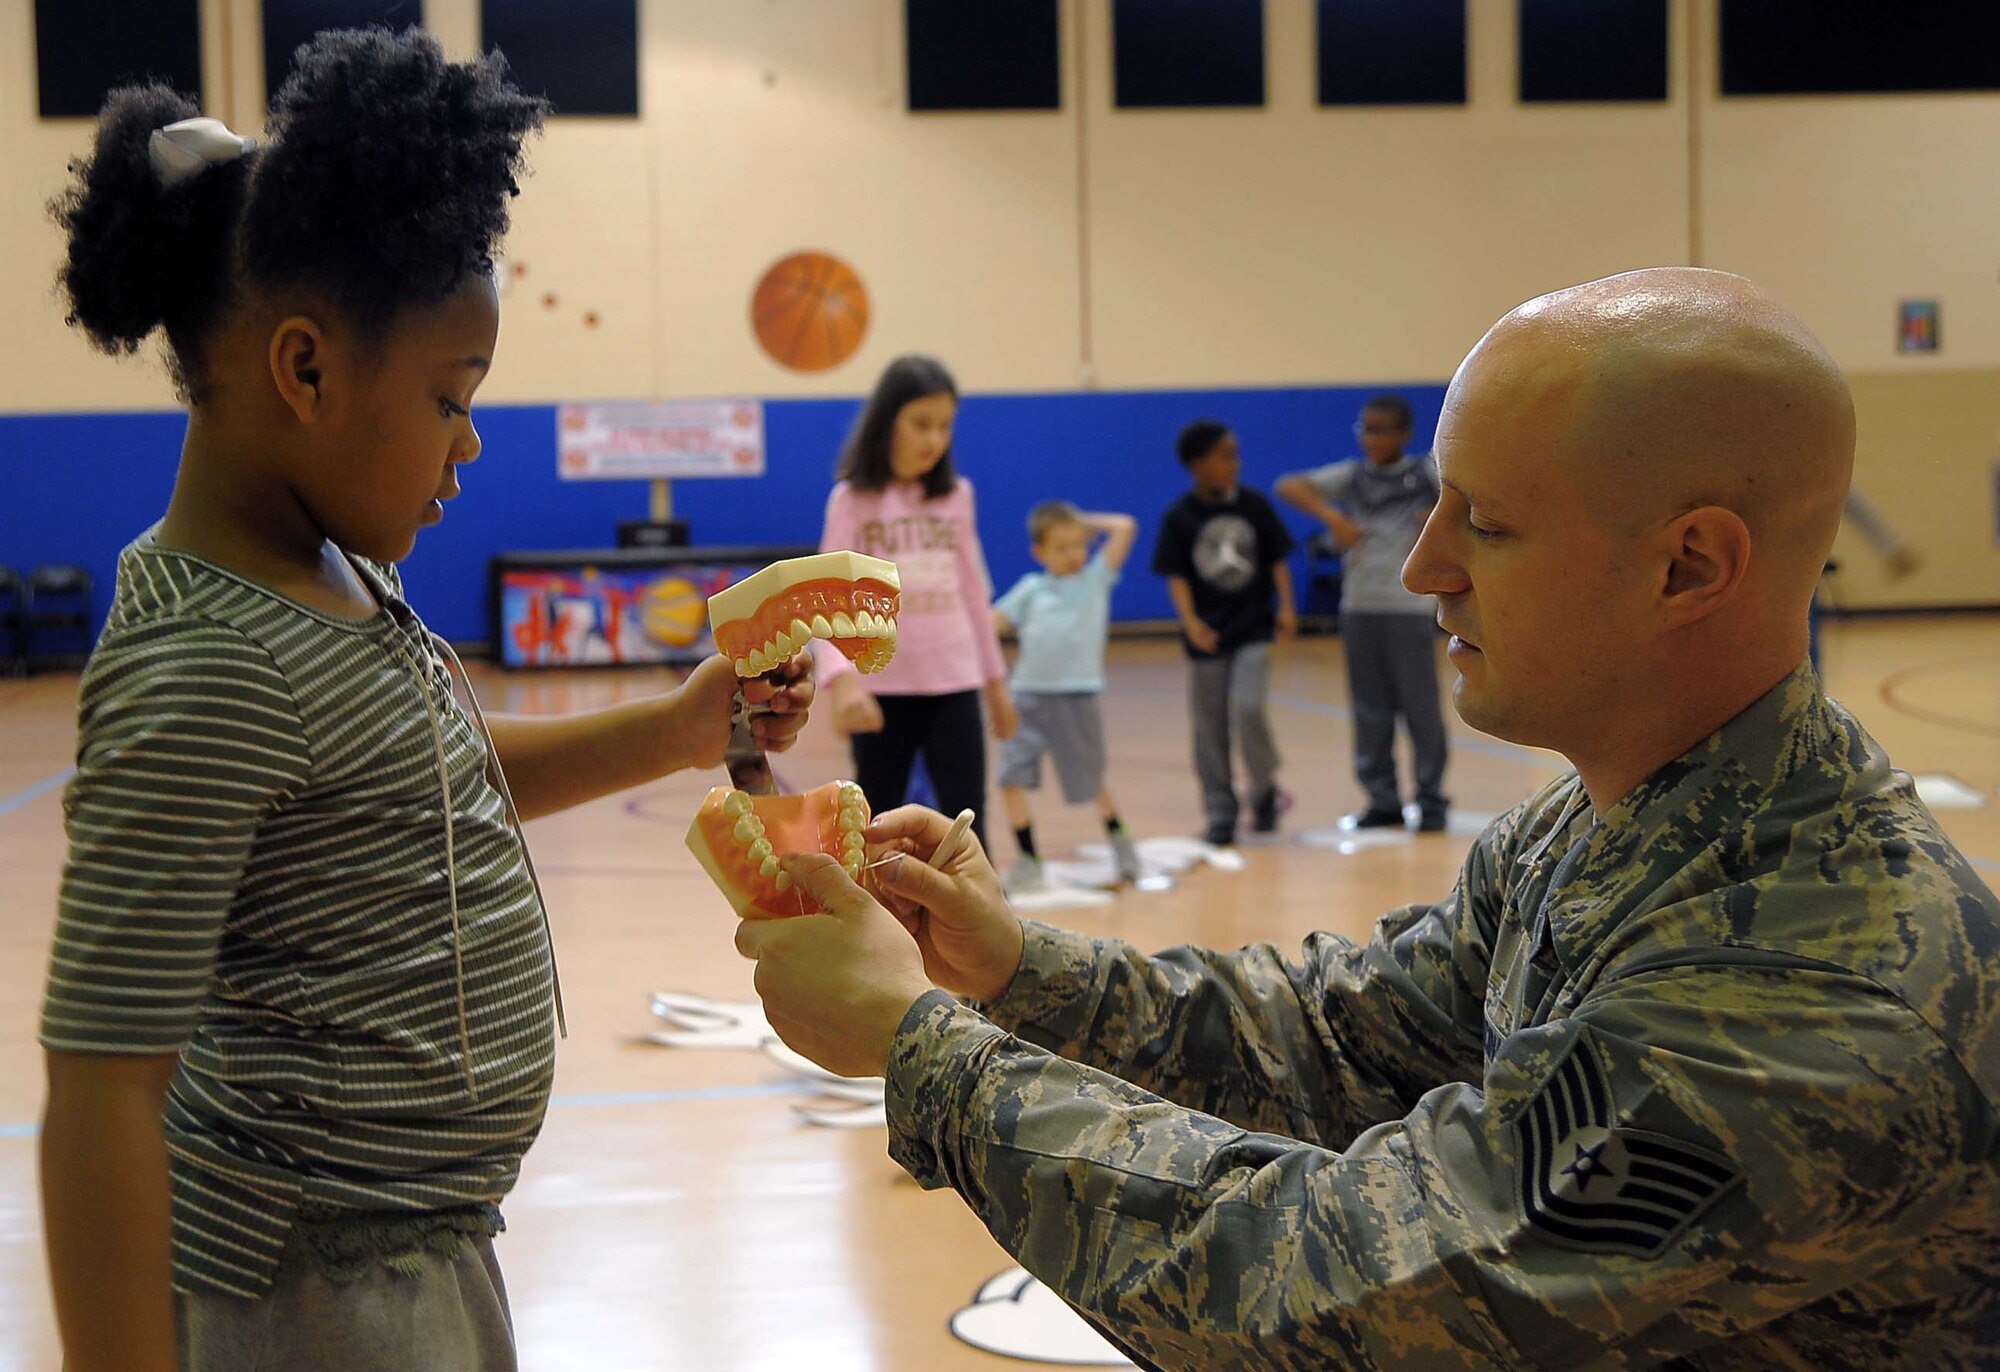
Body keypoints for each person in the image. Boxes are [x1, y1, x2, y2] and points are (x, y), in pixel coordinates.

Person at [734, 268, 2000, 1368]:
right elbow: (1342, 1039)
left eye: (1485, 522)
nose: (1421, 564)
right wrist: (1014, 966)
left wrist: (925, 1051)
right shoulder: (1591, 826)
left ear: (1686, 566)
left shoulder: (1818, 992)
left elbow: (1328, 1299)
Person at [35, 33, 815, 1372]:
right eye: (452, 400)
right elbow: (103, 1089)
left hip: (421, 1249)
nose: (470, 444)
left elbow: (433, 787)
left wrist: (688, 730)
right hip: (313, 1293)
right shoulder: (209, 665)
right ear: (307, 370)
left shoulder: (331, 573)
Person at [817, 354, 1016, 852]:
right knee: (877, 829)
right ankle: (879, 928)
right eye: (921, 424)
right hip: (880, 691)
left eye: (945, 426)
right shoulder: (852, 500)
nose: (934, 439)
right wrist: (841, 684)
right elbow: (829, 596)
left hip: (955, 681)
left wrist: (995, 684)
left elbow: (974, 594)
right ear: (889, 423)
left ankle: (984, 926)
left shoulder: (957, 496)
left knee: (967, 830)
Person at [1277, 395, 1449, 832]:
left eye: (1382, 430)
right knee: (1369, 709)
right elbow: (1289, 485)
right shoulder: (1352, 478)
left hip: (1408, 607)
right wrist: (1332, 519)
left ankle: (1430, 798)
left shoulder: (1423, 474)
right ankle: (1382, 799)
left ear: (1404, 433)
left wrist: (1440, 518)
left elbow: (1468, 495)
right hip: (1359, 606)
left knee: (1420, 708)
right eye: (1366, 429)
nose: (1373, 439)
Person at [1151, 421, 1297, 845]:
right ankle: (1219, 808)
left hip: (1253, 625)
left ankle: (1265, 789)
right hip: (1207, 635)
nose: (1234, 464)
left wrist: (1286, 607)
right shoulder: (1180, 517)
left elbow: (1276, 561)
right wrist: (1190, 622)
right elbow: (1175, 575)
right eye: (1224, 456)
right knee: (1209, 725)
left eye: (1235, 455)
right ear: (1198, 464)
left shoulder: (1254, 505)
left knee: (1249, 707)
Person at [990, 502, 1141, 891]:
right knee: (1011, 777)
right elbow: (992, 624)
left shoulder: (1095, 580)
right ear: (1039, 552)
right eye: (1061, 547)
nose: (1073, 554)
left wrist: (1082, 523)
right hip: (1026, 698)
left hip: (1077, 698)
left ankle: (1120, 842)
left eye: (1079, 545)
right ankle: (1028, 858)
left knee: (1090, 780)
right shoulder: (1031, 589)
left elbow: (1124, 524)